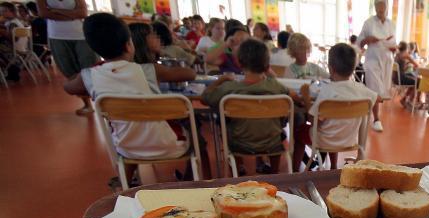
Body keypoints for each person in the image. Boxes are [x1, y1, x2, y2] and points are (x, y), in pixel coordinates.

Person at [62, 13, 202, 185]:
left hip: (126, 148)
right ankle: (196, 180)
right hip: (169, 145)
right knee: (196, 132)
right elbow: (190, 73)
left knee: (128, 128)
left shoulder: (89, 76)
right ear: (129, 45)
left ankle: (124, 185)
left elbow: (68, 87)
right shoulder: (147, 70)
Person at [202, 39, 289, 175]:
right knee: (276, 133)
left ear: (238, 62)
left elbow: (205, 98)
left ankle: (239, 168)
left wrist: (220, 81)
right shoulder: (277, 87)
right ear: (267, 64)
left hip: (239, 144)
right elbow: (292, 96)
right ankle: (274, 171)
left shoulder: (229, 89)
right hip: (273, 143)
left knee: (229, 125)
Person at [307, 43, 377, 169]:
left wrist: (307, 103)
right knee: (339, 122)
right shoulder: (361, 89)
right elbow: (377, 98)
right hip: (351, 141)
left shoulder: (326, 91)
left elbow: (312, 120)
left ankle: (296, 170)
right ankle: (333, 165)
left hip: (323, 142)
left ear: (331, 68)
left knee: (300, 130)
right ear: (353, 67)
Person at [35, 0, 97, 114]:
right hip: (57, 36)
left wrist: (56, 11)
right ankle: (87, 104)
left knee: (91, 68)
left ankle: (101, 99)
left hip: (80, 35)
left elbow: (83, 13)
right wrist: (71, 14)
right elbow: (44, 14)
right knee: (70, 71)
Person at [357, 0, 398, 132]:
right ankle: (376, 119)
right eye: (378, 6)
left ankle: (369, 114)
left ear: (386, 7)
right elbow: (359, 43)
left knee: (381, 93)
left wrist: (393, 48)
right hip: (372, 60)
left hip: (387, 61)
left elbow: (394, 43)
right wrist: (368, 40)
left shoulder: (391, 24)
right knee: (374, 90)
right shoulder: (368, 23)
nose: (380, 8)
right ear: (374, 7)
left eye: (383, 6)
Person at [393, 41, 418, 107]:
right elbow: (416, 64)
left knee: (414, 78)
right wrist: (410, 64)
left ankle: (407, 99)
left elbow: (401, 68)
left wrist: (407, 64)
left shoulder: (397, 55)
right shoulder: (406, 55)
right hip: (400, 78)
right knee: (417, 82)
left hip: (394, 78)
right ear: (407, 48)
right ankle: (407, 100)